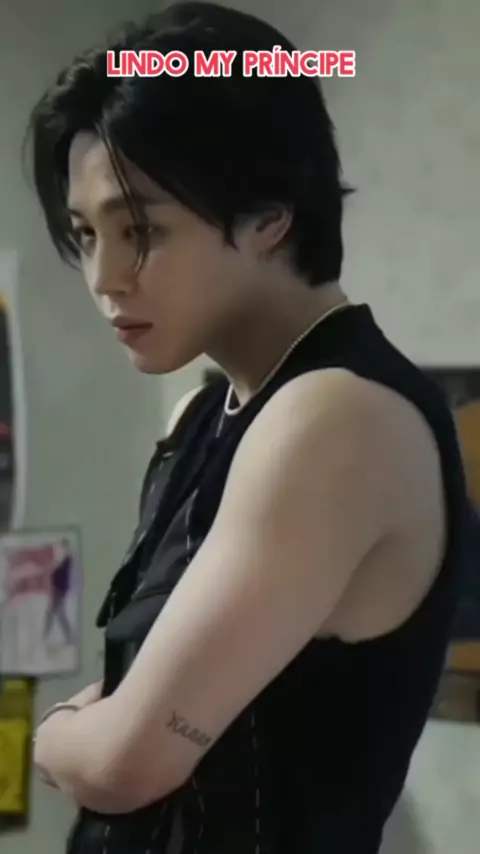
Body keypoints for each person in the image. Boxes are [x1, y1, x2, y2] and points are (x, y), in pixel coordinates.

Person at [26, 3, 469, 852]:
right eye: (85, 235)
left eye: (141, 230)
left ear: (270, 214)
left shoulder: (335, 416)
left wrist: (54, 733)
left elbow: (126, 762)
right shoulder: (208, 412)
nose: (104, 277)